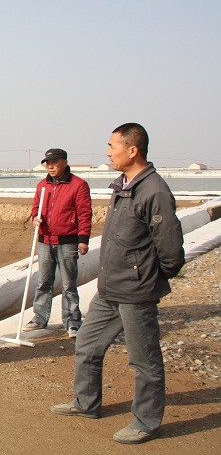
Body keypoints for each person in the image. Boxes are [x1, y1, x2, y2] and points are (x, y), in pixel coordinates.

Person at [51, 123, 185, 444]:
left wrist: (147, 278)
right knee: (87, 344)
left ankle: (146, 421)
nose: (108, 152)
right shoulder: (123, 185)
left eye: (113, 146)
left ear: (132, 150)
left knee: (144, 360)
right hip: (109, 288)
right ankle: (86, 403)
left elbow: (171, 252)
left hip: (136, 292)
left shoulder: (154, 191)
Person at [22, 148, 92, 338]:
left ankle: (72, 321)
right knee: (44, 282)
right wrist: (35, 217)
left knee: (69, 284)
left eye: (54, 163)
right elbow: (36, 207)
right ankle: (39, 318)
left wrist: (83, 240)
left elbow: (85, 214)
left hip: (67, 242)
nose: (50, 167)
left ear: (65, 162)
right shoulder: (42, 185)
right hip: (45, 241)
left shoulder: (78, 185)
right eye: (47, 163)